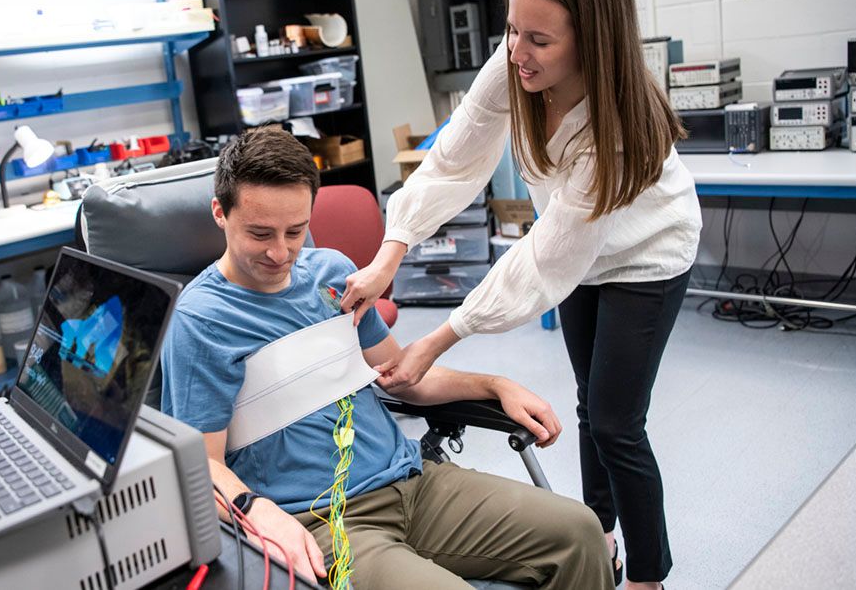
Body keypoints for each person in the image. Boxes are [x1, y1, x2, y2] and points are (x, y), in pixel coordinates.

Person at [341, 0, 702, 590]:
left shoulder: (616, 131)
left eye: (539, 39)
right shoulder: (515, 63)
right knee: (590, 406)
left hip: (648, 252)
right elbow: (455, 158)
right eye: (512, 29)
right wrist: (390, 255)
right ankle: (600, 536)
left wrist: (438, 340)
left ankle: (649, 576)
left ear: (591, 41)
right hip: (580, 253)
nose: (517, 51)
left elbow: (544, 258)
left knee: (618, 421)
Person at [160, 127, 612, 590]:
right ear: (221, 212)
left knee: (580, 533)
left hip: (415, 483)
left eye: (295, 231)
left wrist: (494, 385)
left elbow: (402, 376)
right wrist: (256, 511)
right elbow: (200, 464)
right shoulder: (202, 322)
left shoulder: (333, 275)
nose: (281, 252)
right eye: (260, 234)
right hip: (327, 521)